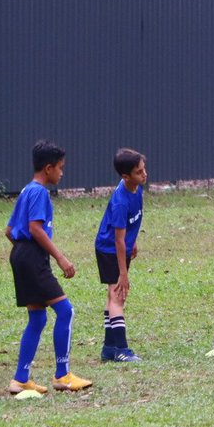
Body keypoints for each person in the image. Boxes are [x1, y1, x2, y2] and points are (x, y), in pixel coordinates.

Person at [5, 140, 92, 394]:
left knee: (38, 316)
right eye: (60, 168)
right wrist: (59, 258)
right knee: (65, 311)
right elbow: (35, 228)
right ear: (48, 168)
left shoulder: (25, 191)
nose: (62, 173)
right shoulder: (40, 193)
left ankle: (21, 379)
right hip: (32, 256)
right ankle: (62, 375)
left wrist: (22, 252)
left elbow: (10, 230)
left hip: (20, 254)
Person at [95, 147, 147, 363]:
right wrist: (123, 274)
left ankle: (109, 347)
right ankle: (121, 349)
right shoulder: (120, 201)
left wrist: (132, 242)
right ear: (125, 176)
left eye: (144, 169)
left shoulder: (137, 188)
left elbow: (130, 225)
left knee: (112, 296)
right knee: (118, 297)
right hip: (110, 250)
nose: (144, 174)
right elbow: (117, 239)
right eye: (138, 172)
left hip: (119, 248)